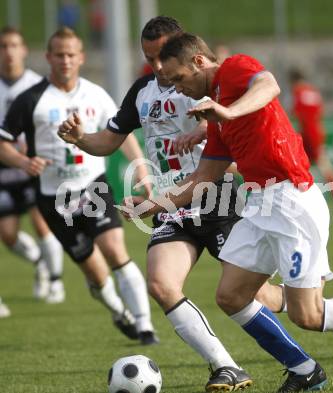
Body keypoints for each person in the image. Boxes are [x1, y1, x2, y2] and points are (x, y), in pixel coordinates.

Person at [117, 33, 333, 392]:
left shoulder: (233, 70)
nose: (176, 88)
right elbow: (202, 180)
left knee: (307, 314)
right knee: (231, 296)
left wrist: (228, 112)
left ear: (200, 63)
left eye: (179, 79)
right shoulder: (215, 115)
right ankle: (303, 369)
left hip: (292, 201)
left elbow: (269, 84)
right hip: (260, 204)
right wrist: (150, 205)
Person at [58, 16, 291, 392]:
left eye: (162, 57)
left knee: (266, 297)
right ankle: (226, 367)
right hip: (171, 202)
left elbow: (245, 108)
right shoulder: (142, 91)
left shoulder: (206, 82)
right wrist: (80, 139)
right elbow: (108, 141)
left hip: (216, 197)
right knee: (162, 284)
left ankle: (331, 314)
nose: (158, 67)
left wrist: (208, 124)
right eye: (149, 59)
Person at [0, 27, 156, 345]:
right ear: (48, 57)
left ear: (81, 57)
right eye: (59, 54)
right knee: (95, 273)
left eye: (72, 54)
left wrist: (141, 167)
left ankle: (145, 326)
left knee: (115, 249)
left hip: (92, 186)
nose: (66, 60)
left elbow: (119, 132)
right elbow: (2, 143)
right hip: (54, 198)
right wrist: (22, 162)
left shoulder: (96, 95)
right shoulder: (30, 100)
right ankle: (118, 312)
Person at [0, 26, 64, 304]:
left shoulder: (36, 85)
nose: (9, 52)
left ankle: (56, 281)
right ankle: (39, 260)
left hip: (34, 166)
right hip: (4, 168)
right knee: (8, 235)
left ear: (24, 50)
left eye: (14, 45)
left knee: (42, 224)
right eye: (3, 46)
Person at [289, 69, 333, 191]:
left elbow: (295, 112)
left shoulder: (298, 91)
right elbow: (320, 111)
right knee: (313, 162)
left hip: (307, 132)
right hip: (317, 129)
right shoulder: (313, 91)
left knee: (319, 163)